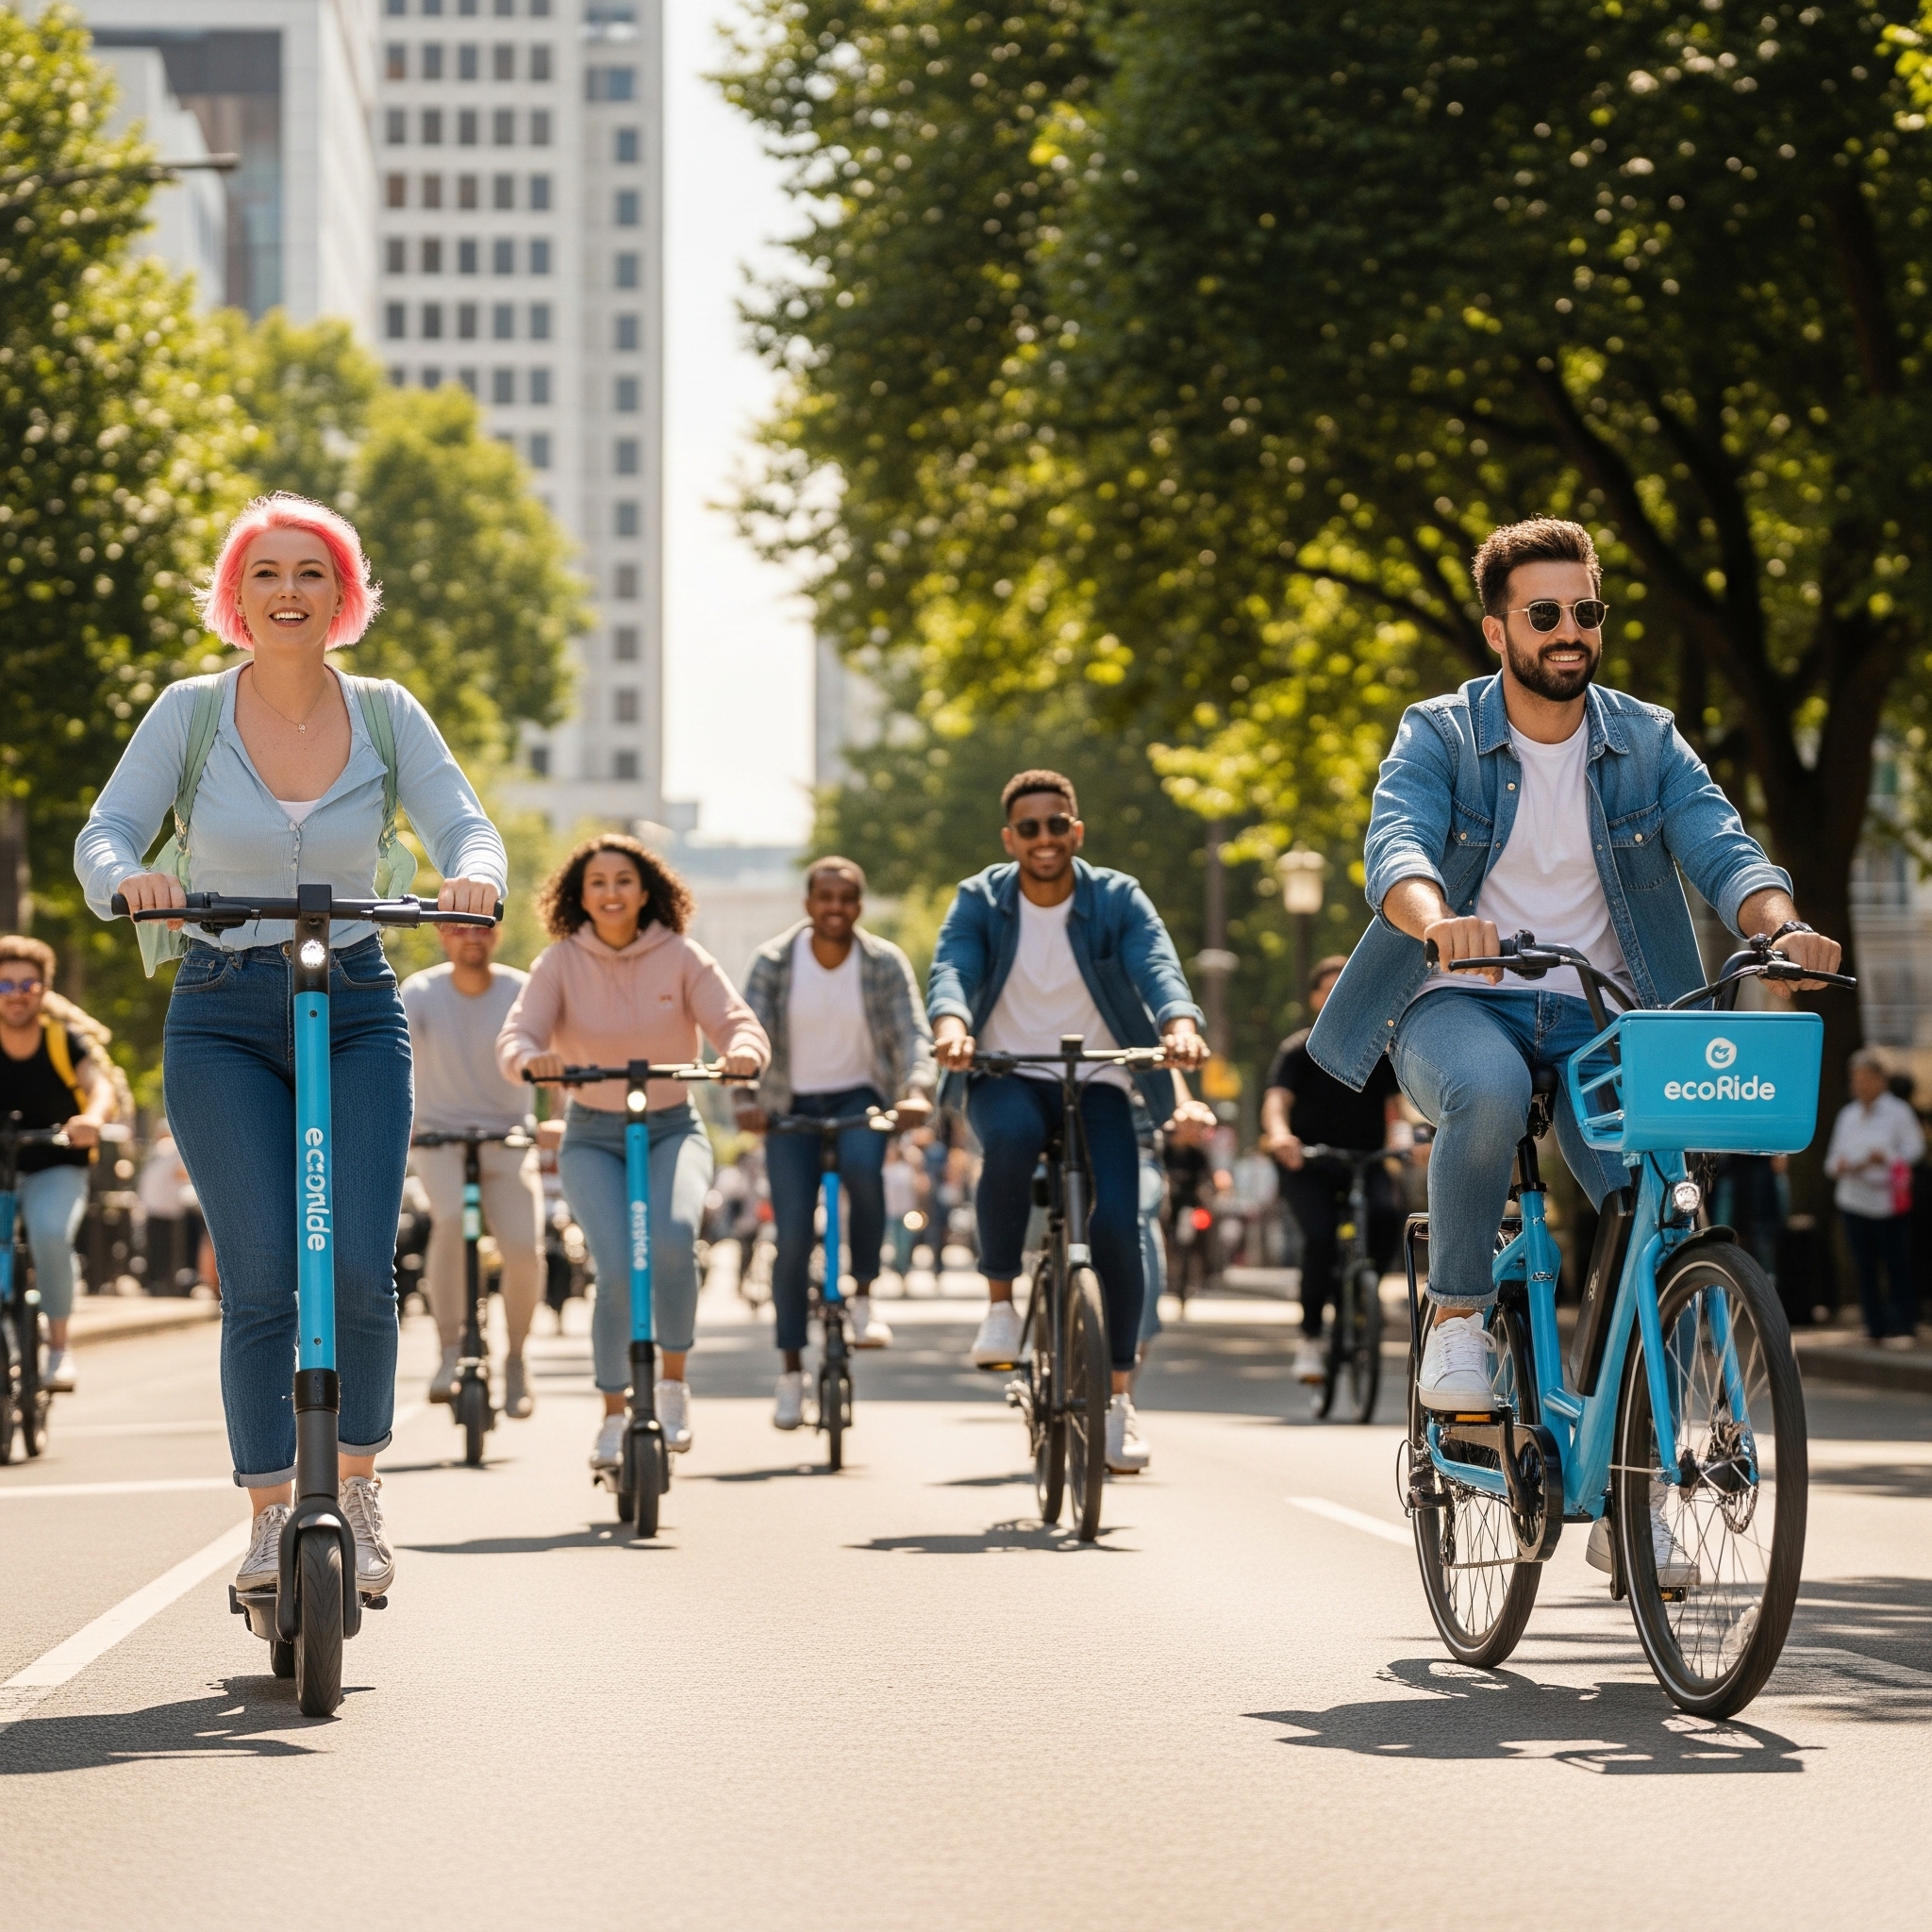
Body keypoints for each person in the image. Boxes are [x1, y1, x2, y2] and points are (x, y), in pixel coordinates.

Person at [1307, 516, 1841, 1583]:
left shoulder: (1645, 738)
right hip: (1462, 1000)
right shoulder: (1441, 732)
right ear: (1497, 628)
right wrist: (1436, 922)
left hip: (1610, 1016)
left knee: (1661, 1213)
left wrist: (1777, 926)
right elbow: (1396, 846)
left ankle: (1633, 1496)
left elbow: (1720, 844)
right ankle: (1460, 1315)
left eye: (1585, 611)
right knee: (1489, 1090)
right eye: (1543, 612)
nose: (1568, 630)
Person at [75, 491, 508, 1607]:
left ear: (342, 595)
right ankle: (270, 1514)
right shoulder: (190, 711)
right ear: (237, 594)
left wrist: (473, 871)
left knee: (359, 1268)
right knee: (264, 1276)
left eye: (311, 572)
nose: (287, 590)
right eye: (264, 572)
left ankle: (357, 1489)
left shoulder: (386, 711)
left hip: (354, 998)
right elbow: (105, 831)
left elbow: (464, 822)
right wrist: (131, 877)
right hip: (219, 1005)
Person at [928, 768, 1213, 1474]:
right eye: (1029, 828)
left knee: (1119, 1222)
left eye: (1057, 824)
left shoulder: (1115, 897)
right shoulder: (981, 899)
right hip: (1006, 1073)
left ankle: (1117, 1401)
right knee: (1013, 1139)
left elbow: (1157, 964)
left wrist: (1178, 1025)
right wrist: (953, 1024)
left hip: (1099, 1077)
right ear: (1010, 839)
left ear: (1076, 831)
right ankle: (1001, 1304)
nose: (1045, 838)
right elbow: (953, 967)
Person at [498, 835, 769, 1470]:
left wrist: (742, 1052)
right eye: (598, 882)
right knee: (617, 1267)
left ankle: (672, 1385)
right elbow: (517, 1037)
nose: (611, 892)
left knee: (673, 1241)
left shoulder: (681, 955)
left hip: (673, 1126)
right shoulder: (559, 963)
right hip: (591, 1134)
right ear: (580, 895)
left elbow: (738, 1023)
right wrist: (532, 1059)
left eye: (624, 880)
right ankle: (613, 1415)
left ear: (646, 892)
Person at [735, 856, 937, 1430]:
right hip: (789, 1104)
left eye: (846, 898)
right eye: (825, 897)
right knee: (793, 1236)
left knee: (865, 1173)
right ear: (808, 904)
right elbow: (745, 1032)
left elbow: (912, 1031)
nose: (835, 908)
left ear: (859, 905)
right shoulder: (774, 962)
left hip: (859, 1098)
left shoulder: (882, 962)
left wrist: (916, 1091)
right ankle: (790, 1373)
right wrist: (745, 1099)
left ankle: (864, 1295)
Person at [403, 919, 546, 1416]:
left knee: (524, 1248)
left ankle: (517, 1358)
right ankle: (448, 1351)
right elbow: (394, 1058)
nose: (471, 938)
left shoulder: (521, 992)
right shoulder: (420, 992)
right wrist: (401, 1122)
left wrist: (558, 1121)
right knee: (448, 1221)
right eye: (459, 930)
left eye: (482, 930)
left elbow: (554, 1057)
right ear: (443, 937)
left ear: (497, 935)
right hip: (438, 1137)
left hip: (508, 1137)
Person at [1261, 953, 1407, 1385]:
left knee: (1386, 1216)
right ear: (1313, 998)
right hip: (1308, 1164)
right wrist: (1280, 1136)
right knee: (1320, 1239)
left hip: (1365, 1161)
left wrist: (1406, 1138)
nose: (1337, 995)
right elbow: (1276, 1102)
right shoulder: (1298, 1049)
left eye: (1346, 986)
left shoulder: (1377, 1050)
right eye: (1328, 989)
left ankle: (1363, 1294)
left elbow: (1398, 1109)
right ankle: (1310, 1337)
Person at [0, 935, 117, 1391]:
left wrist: (91, 1119)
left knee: (50, 1234)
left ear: (44, 990)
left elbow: (100, 1087)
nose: (16, 994)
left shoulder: (61, 1040)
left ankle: (59, 1348)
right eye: (5, 985)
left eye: (27, 984)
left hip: (56, 1163)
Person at [1825, 1048, 1924, 1348]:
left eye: (1866, 1079)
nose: (1860, 1085)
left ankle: (1904, 1323)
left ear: (1881, 1080)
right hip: (1854, 1200)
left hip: (1887, 1202)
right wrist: (1844, 1165)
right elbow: (1831, 1161)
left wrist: (1886, 1157)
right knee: (1864, 1266)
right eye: (1856, 1080)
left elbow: (1915, 1150)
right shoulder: (1847, 1115)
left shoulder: (1899, 1112)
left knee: (1896, 1264)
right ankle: (1874, 1325)